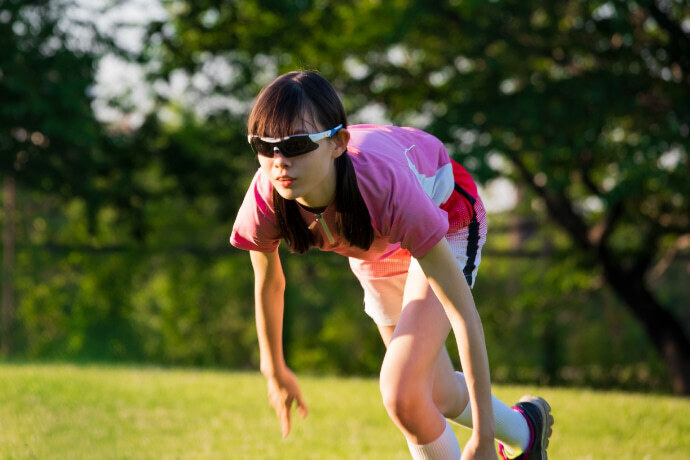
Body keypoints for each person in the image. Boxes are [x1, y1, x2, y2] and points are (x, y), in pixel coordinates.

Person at [230, 70, 554, 460]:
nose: (278, 161)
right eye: (264, 146)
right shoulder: (267, 197)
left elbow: (463, 314)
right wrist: (274, 368)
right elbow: (269, 284)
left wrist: (484, 437)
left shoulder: (385, 187)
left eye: (297, 144)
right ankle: (527, 430)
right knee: (429, 396)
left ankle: (507, 431)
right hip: (377, 247)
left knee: (401, 390)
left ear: (337, 144)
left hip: (444, 218)